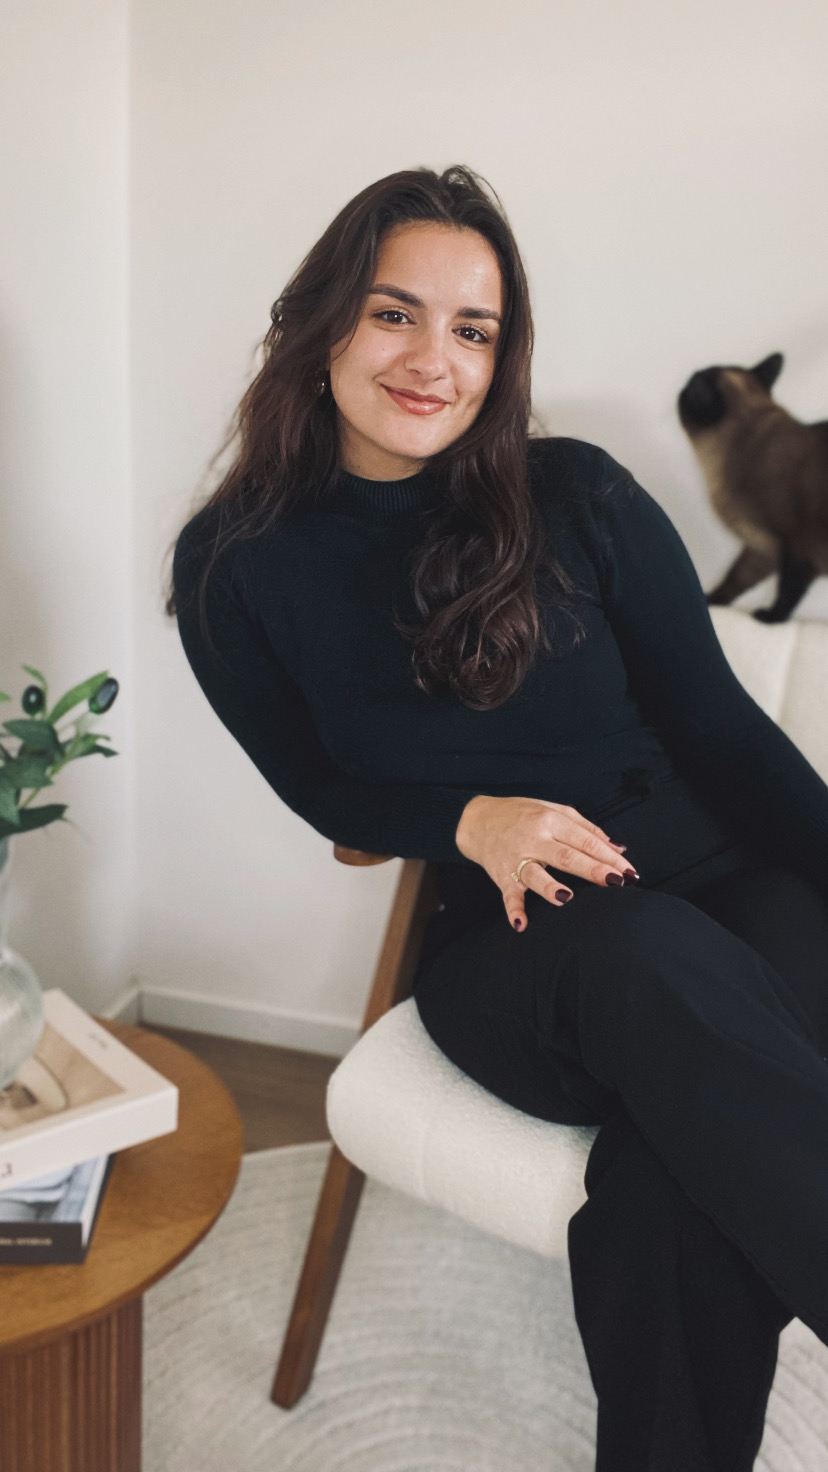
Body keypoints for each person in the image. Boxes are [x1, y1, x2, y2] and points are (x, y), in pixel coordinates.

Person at [166, 164, 828, 1471]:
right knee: (649, 958)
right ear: (320, 324)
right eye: (394, 313)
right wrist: (469, 816)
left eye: (473, 330)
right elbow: (318, 786)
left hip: (732, 884)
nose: (435, 360)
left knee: (672, 1183)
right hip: (525, 947)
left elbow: (724, 735)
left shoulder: (578, 494)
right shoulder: (235, 565)